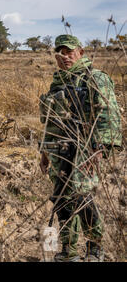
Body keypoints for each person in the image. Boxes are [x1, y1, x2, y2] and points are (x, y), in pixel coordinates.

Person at [39, 34, 122, 262]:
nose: (65, 57)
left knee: (82, 199)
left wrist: (99, 149)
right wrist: (44, 153)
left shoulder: (94, 79)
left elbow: (108, 115)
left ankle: (95, 247)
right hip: (58, 152)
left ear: (80, 52)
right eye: (61, 53)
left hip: (84, 151)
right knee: (62, 201)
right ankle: (69, 250)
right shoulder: (58, 84)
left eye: (69, 52)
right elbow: (50, 122)